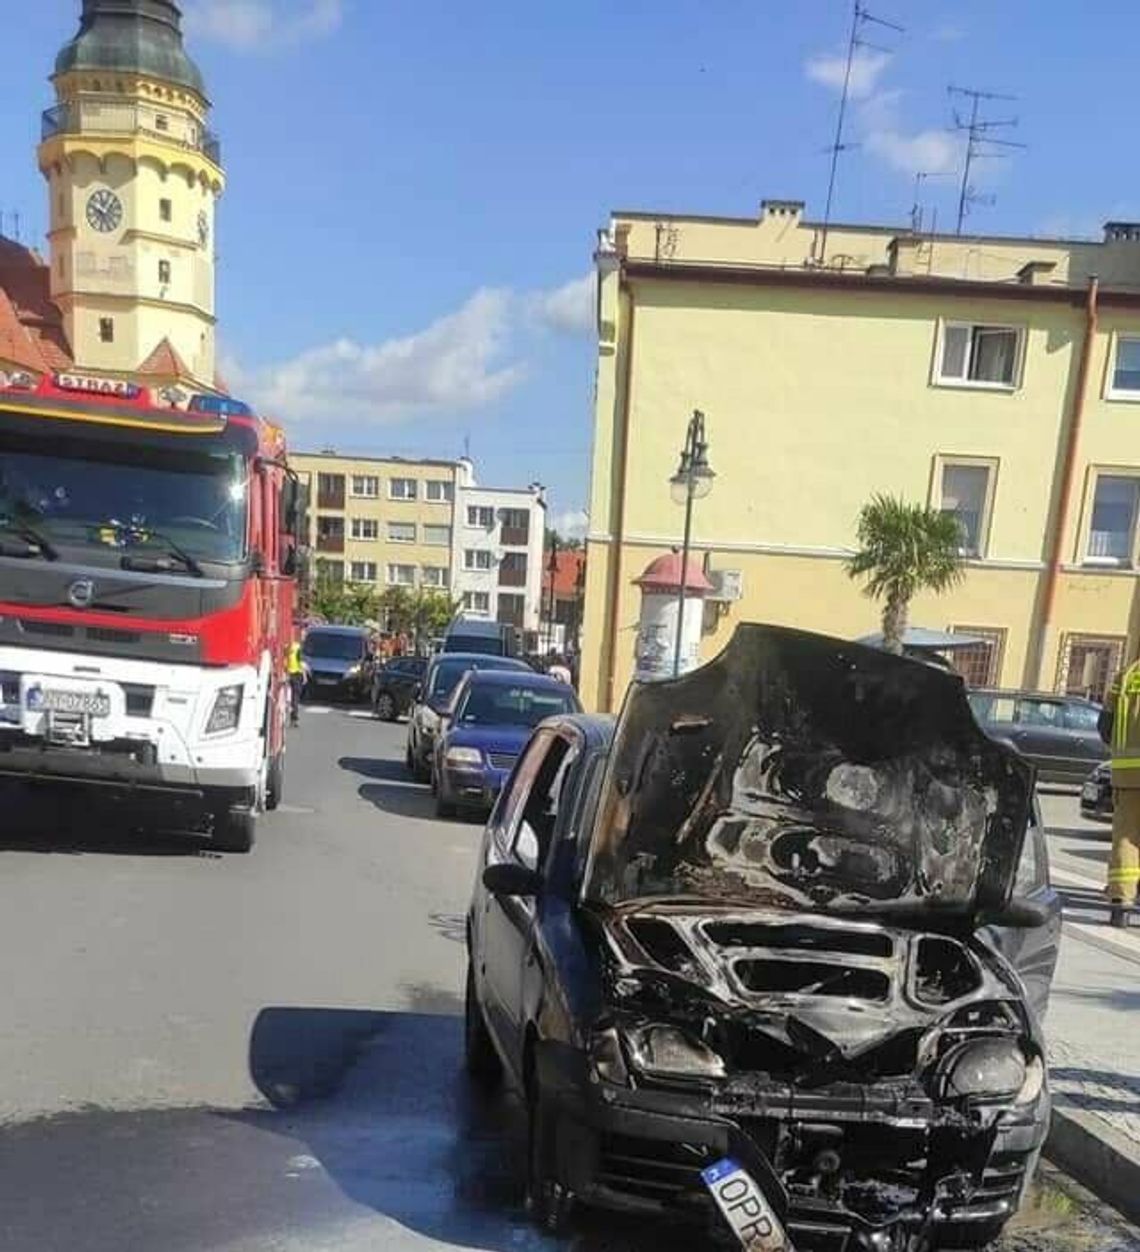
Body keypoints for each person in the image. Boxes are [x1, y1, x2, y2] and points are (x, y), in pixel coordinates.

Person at [1099, 658, 1140, 927]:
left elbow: (1104, 727)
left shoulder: (1126, 676)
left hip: (1127, 775)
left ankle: (1120, 905)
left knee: (1125, 840)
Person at [286, 636, 306, 727]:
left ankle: (290, 714)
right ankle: (294, 719)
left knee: (289, 696)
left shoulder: (288, 646)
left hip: (288, 673)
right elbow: (301, 662)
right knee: (295, 698)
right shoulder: (298, 648)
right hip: (297, 674)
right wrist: (305, 676)